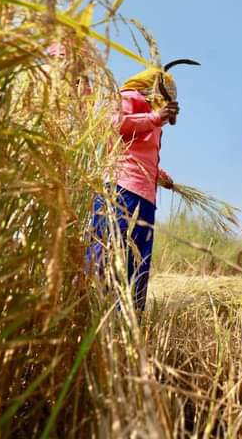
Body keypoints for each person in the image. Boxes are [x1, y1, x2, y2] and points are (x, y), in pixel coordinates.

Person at [87, 67, 179, 311]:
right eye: (166, 89)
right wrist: (155, 118)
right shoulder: (129, 98)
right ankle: (94, 312)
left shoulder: (152, 114)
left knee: (136, 264)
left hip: (145, 197)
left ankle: (126, 323)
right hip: (121, 190)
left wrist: (162, 176)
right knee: (110, 255)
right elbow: (113, 125)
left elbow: (140, 154)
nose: (168, 95)